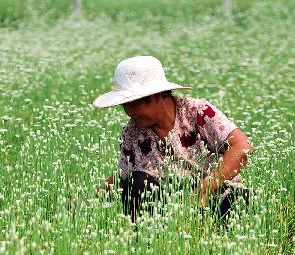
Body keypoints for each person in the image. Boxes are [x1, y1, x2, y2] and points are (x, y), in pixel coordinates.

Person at [93, 56, 254, 222]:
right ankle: (154, 240)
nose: (130, 112)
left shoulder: (198, 112)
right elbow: (123, 177)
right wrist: (87, 201)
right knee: (137, 182)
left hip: (216, 194)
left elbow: (242, 146)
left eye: (135, 104)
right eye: (125, 105)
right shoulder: (132, 133)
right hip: (169, 207)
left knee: (240, 200)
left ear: (158, 95)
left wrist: (202, 191)